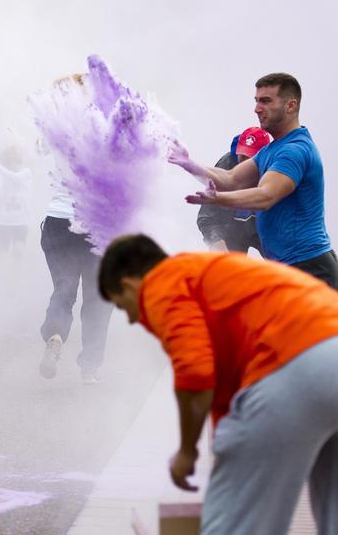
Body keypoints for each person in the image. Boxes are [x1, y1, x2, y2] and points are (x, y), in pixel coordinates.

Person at [98, 234, 338, 534]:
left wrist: (187, 451)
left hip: (293, 363)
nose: (133, 319)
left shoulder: (164, 282)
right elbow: (225, 392)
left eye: (123, 307)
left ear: (128, 286)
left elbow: (196, 373)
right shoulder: (213, 272)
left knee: (239, 522)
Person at [169, 72, 337, 288]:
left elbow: (265, 196)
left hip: (311, 270)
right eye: (256, 101)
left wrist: (217, 198)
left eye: (266, 101)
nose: (257, 108)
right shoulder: (270, 150)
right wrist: (188, 163)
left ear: (291, 106)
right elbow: (231, 178)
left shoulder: (294, 151)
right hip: (289, 270)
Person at [37, 183, 114, 384]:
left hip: (59, 220)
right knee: (98, 299)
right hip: (99, 222)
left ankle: (55, 335)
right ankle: (89, 366)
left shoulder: (58, 148)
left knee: (64, 288)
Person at [195, 127, 269, 253]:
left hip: (264, 229)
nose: (244, 163)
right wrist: (217, 243)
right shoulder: (226, 166)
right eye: (242, 156)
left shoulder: (276, 169)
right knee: (224, 267)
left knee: (287, 267)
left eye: (250, 158)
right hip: (231, 229)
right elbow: (207, 218)